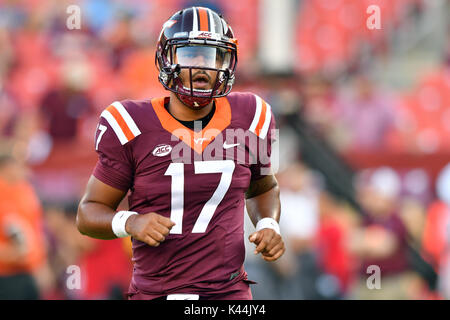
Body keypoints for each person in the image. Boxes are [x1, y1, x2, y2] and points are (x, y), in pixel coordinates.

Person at [77, 7, 285, 300]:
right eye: (190, 55)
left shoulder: (253, 115)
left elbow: (264, 187)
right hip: (156, 293)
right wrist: (131, 222)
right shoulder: (131, 124)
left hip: (228, 293)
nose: (202, 67)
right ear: (166, 59)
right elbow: (87, 214)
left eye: (212, 56)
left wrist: (267, 223)